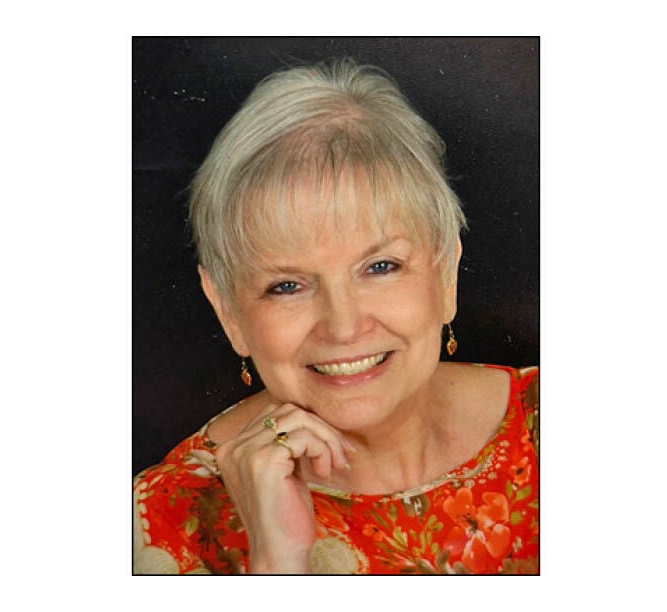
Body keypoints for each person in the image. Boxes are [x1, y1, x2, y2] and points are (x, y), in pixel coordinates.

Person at [133, 58, 539, 575]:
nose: (344, 327)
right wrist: (278, 564)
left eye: (381, 267)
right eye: (287, 286)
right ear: (228, 311)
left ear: (445, 275)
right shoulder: (166, 524)